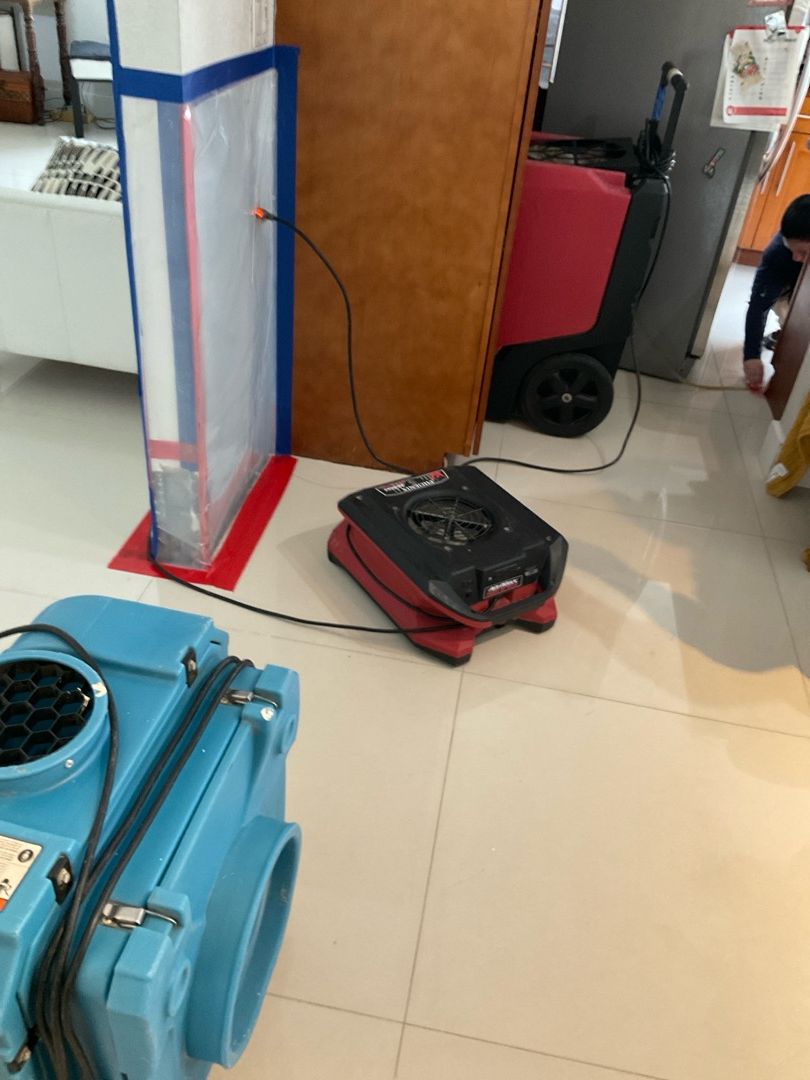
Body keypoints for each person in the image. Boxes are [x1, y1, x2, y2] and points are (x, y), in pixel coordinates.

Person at [743, 193, 810, 392]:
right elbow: (758, 306)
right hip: (786, 288)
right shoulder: (778, 254)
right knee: (793, 323)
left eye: (805, 253)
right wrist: (751, 356)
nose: (797, 258)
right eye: (793, 249)